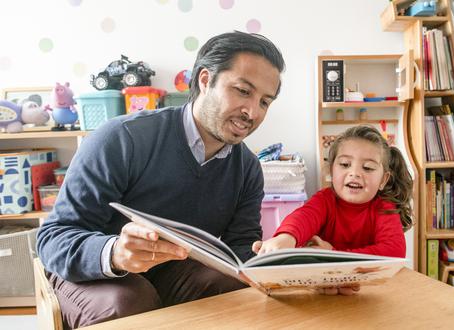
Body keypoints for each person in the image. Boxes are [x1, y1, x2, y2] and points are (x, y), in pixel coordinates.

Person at [36, 31, 285, 329]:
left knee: (234, 289)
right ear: (205, 81)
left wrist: (292, 267)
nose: (252, 112)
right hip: (91, 270)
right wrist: (115, 252)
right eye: (243, 91)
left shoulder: (247, 168)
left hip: (171, 270)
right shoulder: (121, 139)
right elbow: (54, 238)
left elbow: (241, 249)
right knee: (128, 302)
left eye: (265, 102)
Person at [252, 125, 413, 293]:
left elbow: (394, 252)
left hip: (369, 293)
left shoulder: (384, 208)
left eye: (367, 168)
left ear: (383, 180)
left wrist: (333, 254)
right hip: (322, 288)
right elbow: (304, 217)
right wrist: (286, 238)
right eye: (345, 164)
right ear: (331, 170)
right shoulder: (325, 200)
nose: (355, 173)